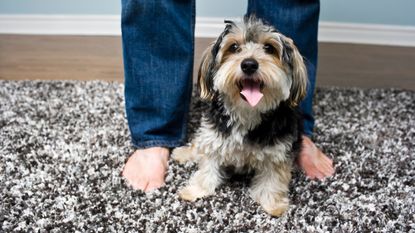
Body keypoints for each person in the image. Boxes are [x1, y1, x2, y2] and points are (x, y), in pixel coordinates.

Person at [121, 0, 334, 192]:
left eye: (268, 48)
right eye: (235, 48)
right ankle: (155, 136)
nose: (249, 60)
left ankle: (298, 137)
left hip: (279, 127)